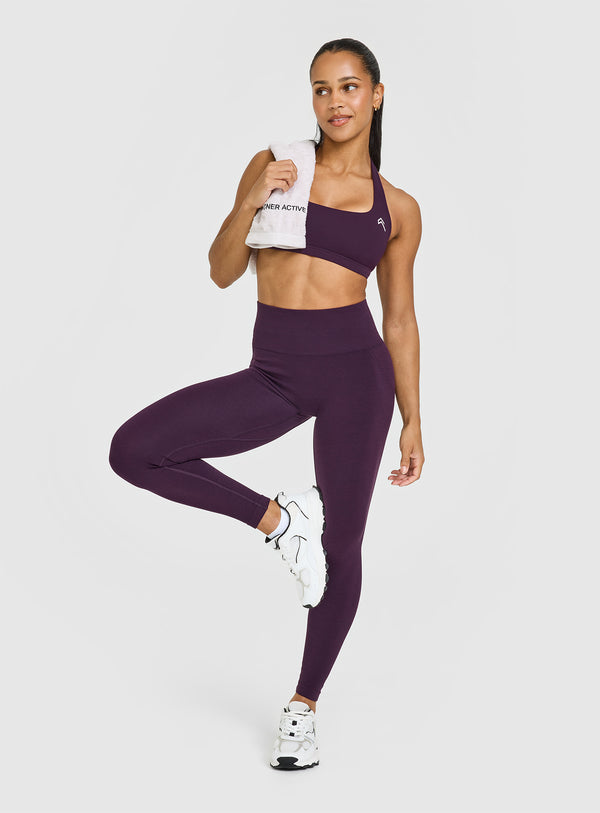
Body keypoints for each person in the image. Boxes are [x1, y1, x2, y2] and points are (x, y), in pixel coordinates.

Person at [108, 36, 424, 771]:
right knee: (135, 449)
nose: (335, 101)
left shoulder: (398, 207)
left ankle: (303, 707)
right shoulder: (277, 165)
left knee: (342, 547)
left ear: (377, 94)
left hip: (357, 378)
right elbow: (223, 270)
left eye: (349, 86)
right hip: (275, 374)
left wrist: (414, 417)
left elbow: (401, 318)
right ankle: (280, 522)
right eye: (321, 88)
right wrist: (251, 200)